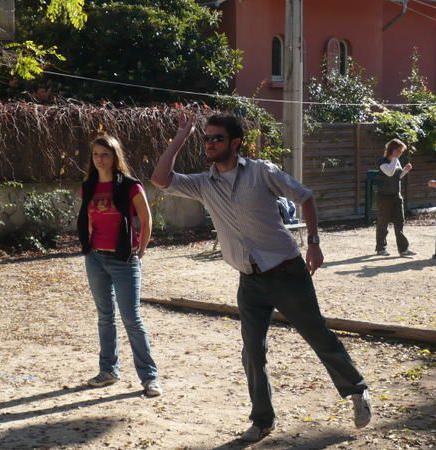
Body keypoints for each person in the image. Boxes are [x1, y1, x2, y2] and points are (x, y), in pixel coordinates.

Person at [151, 113, 370, 443]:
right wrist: (180, 138)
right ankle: (262, 419)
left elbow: (305, 197)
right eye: (207, 139)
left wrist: (313, 244)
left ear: (235, 142)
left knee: (316, 335)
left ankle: (356, 390)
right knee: (253, 350)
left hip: (286, 271)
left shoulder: (262, 172)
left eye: (217, 138)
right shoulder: (202, 183)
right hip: (249, 280)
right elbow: (159, 179)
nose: (210, 144)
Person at [77, 134, 161, 396]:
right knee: (105, 317)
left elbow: (146, 220)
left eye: (105, 154)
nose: (100, 159)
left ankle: (149, 378)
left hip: (124, 259)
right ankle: (108, 371)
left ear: (115, 156)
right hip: (96, 258)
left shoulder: (130, 186)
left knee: (132, 319)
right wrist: (89, 246)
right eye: (95, 155)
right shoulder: (88, 186)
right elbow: (88, 219)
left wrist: (142, 251)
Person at [375, 139, 413, 256]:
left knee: (399, 222)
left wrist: (405, 170)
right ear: (393, 150)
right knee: (383, 223)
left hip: (396, 195)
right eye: (400, 151)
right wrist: (395, 159)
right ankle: (381, 248)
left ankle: (403, 249)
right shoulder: (382, 161)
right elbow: (390, 173)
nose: (401, 153)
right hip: (384, 197)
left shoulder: (396, 160)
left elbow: (398, 176)